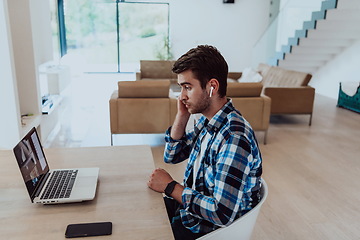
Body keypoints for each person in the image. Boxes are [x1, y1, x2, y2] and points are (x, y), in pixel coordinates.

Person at [147, 45, 263, 240]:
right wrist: (181, 116)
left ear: (212, 87)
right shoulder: (209, 122)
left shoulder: (234, 137)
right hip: (192, 213)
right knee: (140, 208)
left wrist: (170, 187)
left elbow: (221, 213)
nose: (182, 96)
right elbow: (171, 155)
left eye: (187, 87)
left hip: (206, 230)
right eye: (181, 88)